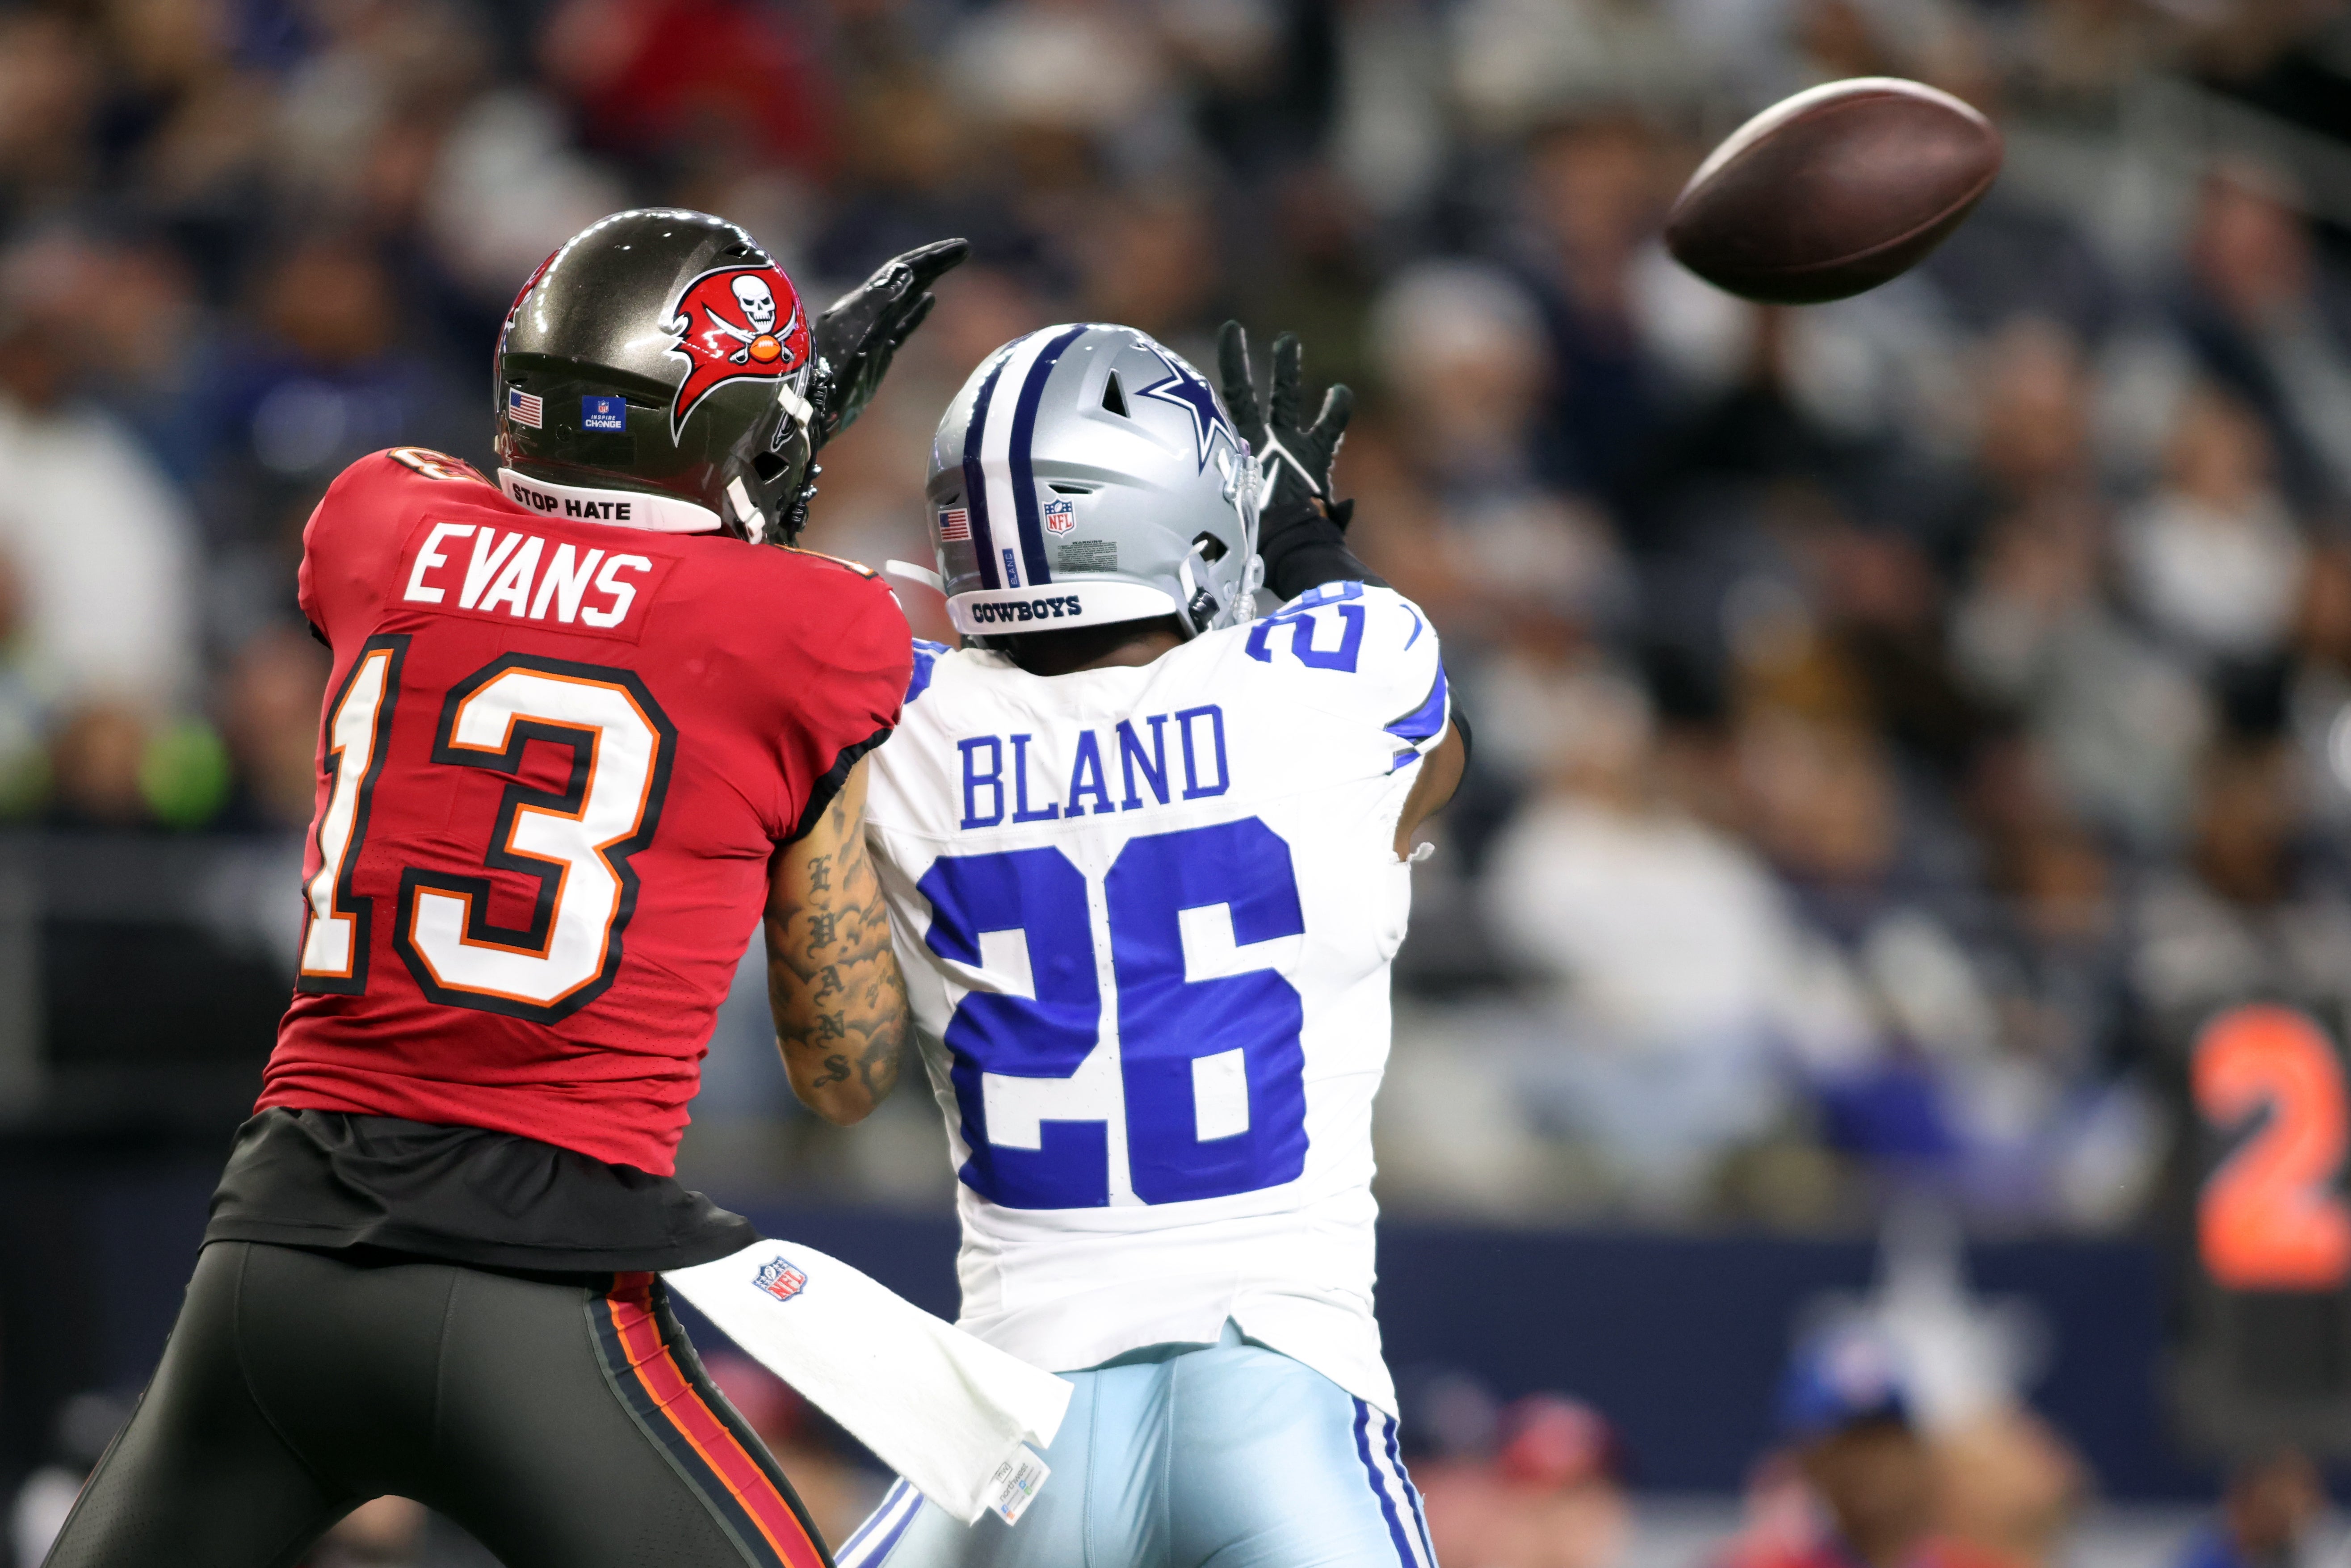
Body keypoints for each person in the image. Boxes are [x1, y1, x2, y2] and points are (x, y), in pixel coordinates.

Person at [41, 210, 967, 1568]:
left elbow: (555, 575)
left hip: (272, 1270)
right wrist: (776, 444)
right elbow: (840, 1064)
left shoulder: (375, 515)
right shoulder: (817, 630)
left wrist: (735, 427)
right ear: (746, 434)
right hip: (545, 1294)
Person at [841, 320, 1468, 1568]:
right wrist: (1300, 532)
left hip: (1014, 1425)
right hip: (1283, 1395)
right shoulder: (1331, 681)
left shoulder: (890, 723)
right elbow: (1434, 759)